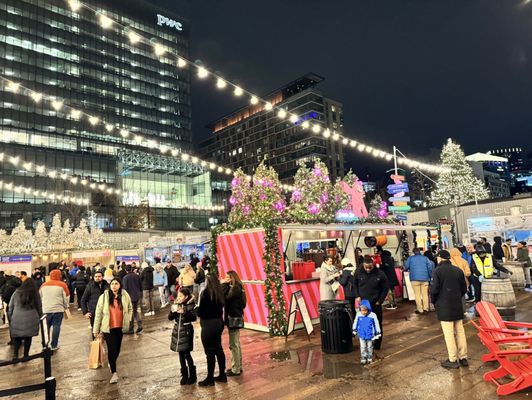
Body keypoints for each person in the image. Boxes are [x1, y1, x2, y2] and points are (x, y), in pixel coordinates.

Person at [431, 250, 468, 369]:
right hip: (457, 305)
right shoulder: (458, 270)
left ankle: (452, 359)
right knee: (460, 332)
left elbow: (434, 289)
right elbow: (464, 288)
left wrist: (434, 301)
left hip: (444, 305)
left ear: (440, 258)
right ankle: (463, 357)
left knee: (449, 334)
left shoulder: (437, 271)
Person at [93, 278, 133, 384]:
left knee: (117, 349)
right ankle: (114, 373)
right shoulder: (104, 297)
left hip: (120, 327)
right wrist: (96, 329)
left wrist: (128, 318)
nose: (114, 286)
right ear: (110, 286)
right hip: (108, 328)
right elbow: (98, 313)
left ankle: (112, 362)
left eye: (116, 284)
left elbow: (130, 308)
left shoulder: (125, 295)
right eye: (112, 284)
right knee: (112, 349)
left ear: (120, 285)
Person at [353, 256, 389, 351]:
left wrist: (380, 301)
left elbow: (385, 288)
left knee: (377, 324)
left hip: (375, 303)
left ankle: (377, 345)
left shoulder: (380, 274)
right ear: (363, 265)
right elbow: (354, 284)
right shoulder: (358, 272)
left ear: (373, 265)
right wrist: (357, 296)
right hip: (363, 303)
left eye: (370, 267)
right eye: (366, 267)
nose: (368, 269)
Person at [197, 274, 226, 386]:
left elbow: (202, 312)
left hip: (208, 324)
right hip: (218, 322)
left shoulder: (206, 293)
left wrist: (196, 309)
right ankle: (222, 375)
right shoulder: (219, 292)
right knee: (218, 349)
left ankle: (210, 379)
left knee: (209, 352)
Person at [8, 279, 42, 360]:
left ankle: (15, 354)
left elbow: (10, 306)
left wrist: (11, 316)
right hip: (31, 318)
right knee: (28, 337)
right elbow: (39, 307)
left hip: (17, 317)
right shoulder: (35, 294)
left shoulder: (16, 292)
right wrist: (40, 316)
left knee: (17, 337)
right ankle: (26, 355)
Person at [168, 287, 197, 385]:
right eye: (178, 296)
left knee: (187, 354)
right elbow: (170, 318)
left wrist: (184, 311)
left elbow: (193, 318)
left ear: (186, 297)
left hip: (186, 331)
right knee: (180, 353)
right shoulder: (177, 304)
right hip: (177, 331)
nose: (179, 297)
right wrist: (173, 311)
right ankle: (184, 375)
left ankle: (192, 376)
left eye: (181, 296)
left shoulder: (190, 305)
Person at [222, 270, 246, 377]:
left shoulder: (235, 289)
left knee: (233, 345)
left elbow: (225, 298)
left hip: (233, 319)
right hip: (236, 317)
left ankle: (235, 369)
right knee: (236, 344)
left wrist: (225, 284)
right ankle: (238, 367)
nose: (226, 279)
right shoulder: (239, 287)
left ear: (232, 278)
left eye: (228, 277)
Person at [39, 269, 69, 351]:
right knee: (56, 326)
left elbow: (40, 297)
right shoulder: (63, 285)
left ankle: (44, 345)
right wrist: (66, 307)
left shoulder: (43, 285)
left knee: (46, 328)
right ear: (59, 275)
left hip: (45, 310)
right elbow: (66, 298)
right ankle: (54, 345)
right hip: (58, 309)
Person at [404, 248, 434, 315]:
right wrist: (430, 276)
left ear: (413, 252)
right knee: (425, 294)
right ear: (419, 252)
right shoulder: (425, 258)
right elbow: (430, 267)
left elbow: (406, 267)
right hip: (425, 279)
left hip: (414, 279)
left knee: (417, 295)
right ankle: (426, 309)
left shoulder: (410, 258)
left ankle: (420, 310)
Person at [352, 300, 381, 365]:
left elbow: (376, 323)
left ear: (368, 309)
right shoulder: (358, 314)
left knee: (370, 346)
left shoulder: (373, 315)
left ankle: (369, 357)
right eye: (362, 310)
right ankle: (363, 358)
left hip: (370, 334)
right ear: (360, 309)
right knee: (362, 347)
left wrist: (378, 332)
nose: (364, 312)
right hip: (361, 334)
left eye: (365, 310)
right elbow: (355, 322)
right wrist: (354, 330)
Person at [81, 271, 109, 337]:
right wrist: (85, 312)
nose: (97, 278)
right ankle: (97, 346)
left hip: (106, 312)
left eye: (99, 276)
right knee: (95, 332)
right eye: (96, 277)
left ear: (102, 277)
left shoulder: (107, 286)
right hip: (94, 312)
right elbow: (83, 300)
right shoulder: (90, 286)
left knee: (107, 332)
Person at [122, 265, 143, 334]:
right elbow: (141, 286)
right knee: (135, 311)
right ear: (131, 269)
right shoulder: (137, 276)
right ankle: (140, 325)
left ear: (126, 270)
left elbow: (125, 289)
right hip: (137, 296)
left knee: (129, 312)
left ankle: (131, 329)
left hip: (129, 297)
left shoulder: (125, 278)